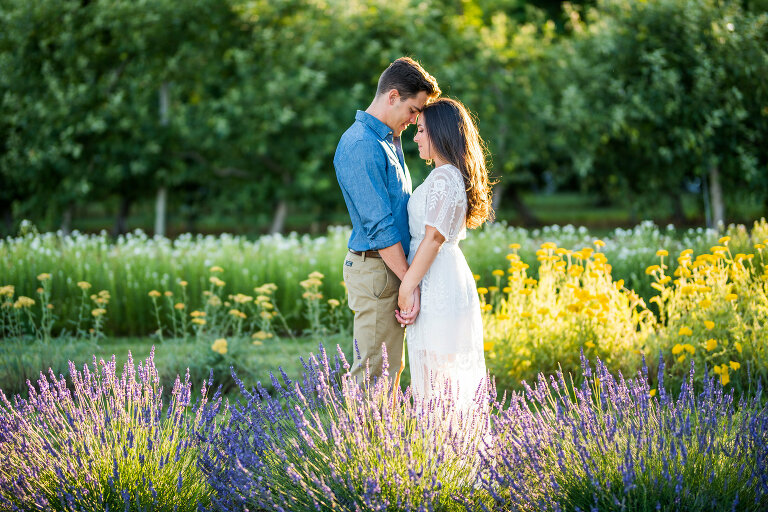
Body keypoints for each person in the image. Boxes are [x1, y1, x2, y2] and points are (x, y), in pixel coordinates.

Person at [334, 57, 441, 388]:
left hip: (390, 268)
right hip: (378, 270)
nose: (415, 119)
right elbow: (380, 228)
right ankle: (358, 441)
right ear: (392, 96)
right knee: (372, 374)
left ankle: (380, 440)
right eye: (413, 110)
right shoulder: (361, 145)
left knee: (388, 370)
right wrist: (409, 283)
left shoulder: (387, 140)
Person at [396, 97, 493, 413]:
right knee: (438, 372)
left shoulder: (443, 176)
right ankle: (447, 450)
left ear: (439, 132)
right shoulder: (447, 175)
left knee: (439, 371)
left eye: (421, 130)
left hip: (438, 276)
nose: (415, 137)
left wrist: (406, 287)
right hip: (441, 274)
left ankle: (448, 449)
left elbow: (434, 237)